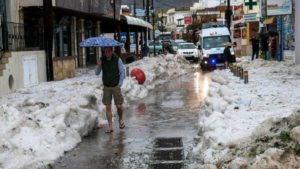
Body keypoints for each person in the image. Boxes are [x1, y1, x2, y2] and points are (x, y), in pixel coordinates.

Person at [95, 47, 125, 133]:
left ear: (111, 51)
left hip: (116, 85)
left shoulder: (117, 59)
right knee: (108, 107)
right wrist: (99, 65)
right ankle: (110, 127)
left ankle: (121, 119)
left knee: (119, 105)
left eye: (108, 51)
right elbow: (97, 73)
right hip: (107, 86)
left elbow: (122, 72)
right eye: (105, 52)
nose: (107, 53)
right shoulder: (102, 60)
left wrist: (120, 83)